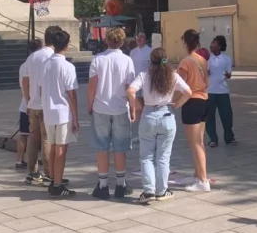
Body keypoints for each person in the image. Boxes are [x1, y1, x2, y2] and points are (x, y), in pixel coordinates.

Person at [128, 48, 193, 203]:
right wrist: (177, 104)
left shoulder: (144, 75)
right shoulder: (173, 75)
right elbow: (188, 92)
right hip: (166, 114)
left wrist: (137, 104)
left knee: (146, 156)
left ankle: (148, 191)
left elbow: (130, 90)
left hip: (149, 115)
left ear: (151, 61)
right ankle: (162, 191)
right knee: (163, 157)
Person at [88, 28, 137, 200]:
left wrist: (89, 105)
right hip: (120, 107)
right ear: (122, 42)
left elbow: (92, 86)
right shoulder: (127, 60)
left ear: (106, 41)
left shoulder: (98, 59)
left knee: (102, 148)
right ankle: (120, 184)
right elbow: (130, 87)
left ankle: (102, 185)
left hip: (101, 107)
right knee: (120, 148)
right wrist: (133, 108)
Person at [36, 27, 79, 198]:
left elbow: (40, 88)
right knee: (61, 149)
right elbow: (71, 94)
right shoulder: (67, 66)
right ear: (66, 45)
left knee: (53, 147)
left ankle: (54, 178)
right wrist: (76, 118)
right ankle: (57, 184)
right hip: (62, 112)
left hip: (48, 110)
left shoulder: (44, 65)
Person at [24, 27, 59, 185]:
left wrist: (28, 100)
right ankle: (49, 173)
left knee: (33, 138)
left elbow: (25, 80)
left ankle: (32, 172)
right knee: (47, 139)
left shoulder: (33, 57)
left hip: (33, 103)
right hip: (46, 104)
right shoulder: (52, 57)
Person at [178, 29, 212, 192]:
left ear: (185, 42)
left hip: (191, 102)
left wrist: (174, 102)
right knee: (199, 141)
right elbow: (207, 83)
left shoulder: (185, 62)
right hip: (204, 101)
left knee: (194, 143)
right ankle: (198, 174)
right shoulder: (202, 60)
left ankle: (203, 181)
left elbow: (180, 86)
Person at [16, 39, 42, 170]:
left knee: (24, 134)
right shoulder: (39, 65)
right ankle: (36, 160)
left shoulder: (23, 65)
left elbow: (22, 84)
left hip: (24, 104)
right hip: (36, 104)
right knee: (38, 135)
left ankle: (19, 160)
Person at [206, 35, 235, 147]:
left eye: (214, 43)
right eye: (212, 42)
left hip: (223, 91)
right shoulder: (207, 59)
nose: (211, 45)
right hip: (209, 91)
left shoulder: (226, 59)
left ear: (219, 46)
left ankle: (229, 138)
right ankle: (213, 139)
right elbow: (204, 72)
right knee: (209, 117)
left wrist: (228, 75)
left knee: (227, 116)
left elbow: (229, 74)